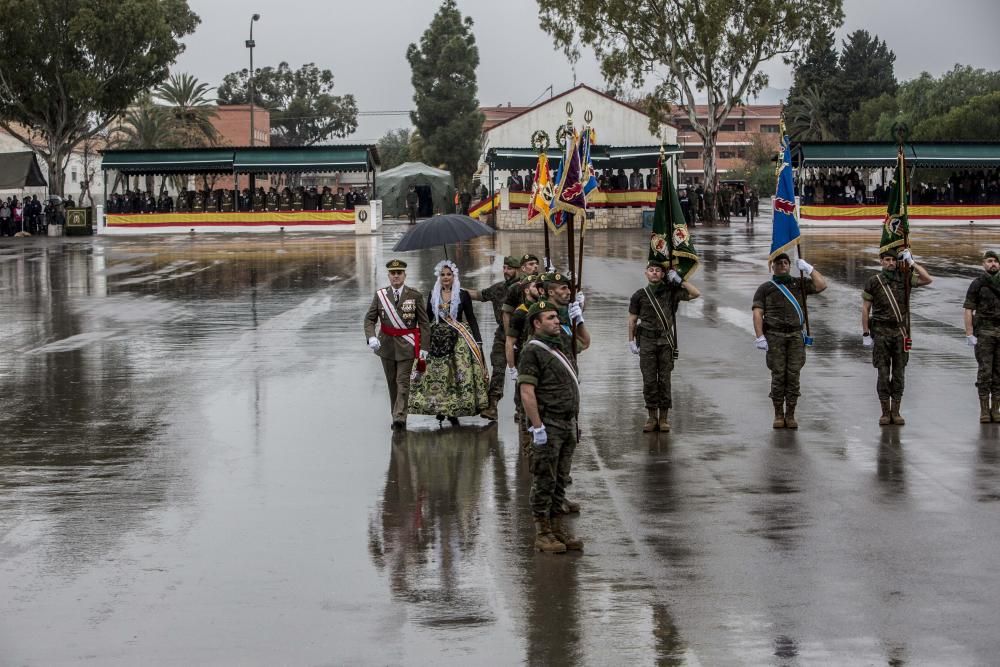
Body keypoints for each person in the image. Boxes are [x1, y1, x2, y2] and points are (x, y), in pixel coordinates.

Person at [517, 300, 584, 553]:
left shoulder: (560, 345)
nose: (557, 321)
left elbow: (585, 343)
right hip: (549, 424)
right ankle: (543, 533)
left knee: (560, 482)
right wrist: (537, 427)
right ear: (537, 323)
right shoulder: (532, 351)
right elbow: (527, 392)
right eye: (551, 318)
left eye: (557, 317)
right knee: (545, 479)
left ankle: (558, 530)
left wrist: (580, 319)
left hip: (567, 423)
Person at [752, 253, 828, 429]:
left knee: (793, 375)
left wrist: (809, 269)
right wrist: (759, 336)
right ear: (773, 266)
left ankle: (791, 414)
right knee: (778, 375)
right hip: (775, 336)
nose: (783, 266)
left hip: (795, 336)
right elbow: (757, 312)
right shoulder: (765, 288)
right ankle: (779, 414)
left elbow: (821, 285)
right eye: (779, 263)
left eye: (786, 263)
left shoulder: (798, 283)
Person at [408, 260, 488, 425]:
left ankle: (453, 410)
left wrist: (478, 340)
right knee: (437, 376)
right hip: (436, 338)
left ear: (454, 276)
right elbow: (428, 317)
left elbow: (471, 318)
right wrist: (420, 336)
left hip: (457, 336)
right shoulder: (433, 294)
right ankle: (439, 407)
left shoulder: (463, 295)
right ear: (439, 276)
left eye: (449, 274)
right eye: (443, 275)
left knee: (455, 375)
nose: (446, 278)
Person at [862, 249, 933, 426]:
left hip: (900, 333)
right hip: (881, 333)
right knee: (883, 373)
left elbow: (927, 279)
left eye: (893, 260)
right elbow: (865, 309)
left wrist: (912, 263)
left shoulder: (905, 278)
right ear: (881, 261)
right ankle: (885, 412)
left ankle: (896, 411)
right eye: (887, 260)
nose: (891, 263)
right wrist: (865, 333)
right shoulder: (874, 281)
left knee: (899, 373)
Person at [628, 261, 701, 432]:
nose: (654, 273)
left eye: (658, 270)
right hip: (646, 342)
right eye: (651, 270)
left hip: (665, 342)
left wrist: (679, 280)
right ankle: (652, 417)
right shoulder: (639, 295)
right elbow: (632, 320)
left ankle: (664, 418)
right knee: (649, 380)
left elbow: (696, 293)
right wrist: (631, 341)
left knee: (665, 380)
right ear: (646, 273)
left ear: (663, 274)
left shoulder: (671, 292)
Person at [364, 260, 430, 430]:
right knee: (392, 383)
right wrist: (371, 337)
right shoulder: (380, 296)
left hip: (407, 346)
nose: (396, 276)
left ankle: (400, 416)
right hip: (386, 346)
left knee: (403, 381)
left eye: (399, 273)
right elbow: (370, 319)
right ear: (389, 276)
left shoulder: (414, 295)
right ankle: (396, 413)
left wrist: (424, 348)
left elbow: (424, 323)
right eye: (393, 273)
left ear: (404, 275)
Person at [477, 255, 522, 420]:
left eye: (509, 268)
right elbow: (479, 295)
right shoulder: (498, 289)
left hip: (520, 336)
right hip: (502, 335)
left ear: (518, 270)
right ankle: (492, 406)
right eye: (504, 268)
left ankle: (521, 408)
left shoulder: (525, 288)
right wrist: (456, 288)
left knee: (521, 371)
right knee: (498, 368)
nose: (506, 271)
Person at [964, 250, 1000, 422]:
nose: (993, 264)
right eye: (989, 261)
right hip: (984, 333)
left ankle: (996, 410)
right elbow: (968, 309)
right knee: (985, 372)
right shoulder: (977, 284)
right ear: (984, 264)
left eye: (995, 261)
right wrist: (969, 333)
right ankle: (985, 410)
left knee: (999, 372)